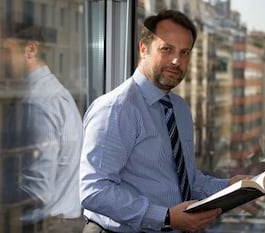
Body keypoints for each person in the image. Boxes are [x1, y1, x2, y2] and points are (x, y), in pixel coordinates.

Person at [80, 10, 247, 233]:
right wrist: (166, 217)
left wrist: (229, 187)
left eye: (185, 52)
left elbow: (188, 180)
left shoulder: (179, 108)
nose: (177, 60)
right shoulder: (116, 109)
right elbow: (94, 190)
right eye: (167, 49)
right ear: (143, 49)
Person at [0, 22, 84, 233]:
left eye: (4, 50)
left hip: (44, 226)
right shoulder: (54, 94)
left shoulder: (38, 102)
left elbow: (37, 189)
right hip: (60, 222)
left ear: (31, 49)